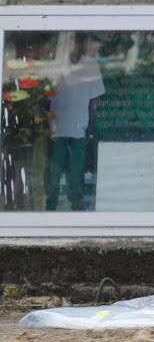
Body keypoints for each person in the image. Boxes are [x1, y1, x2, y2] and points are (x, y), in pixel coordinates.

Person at [45, 34, 104, 211]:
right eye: (68, 42)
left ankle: (76, 204)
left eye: (76, 41)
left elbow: (94, 102)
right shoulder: (56, 64)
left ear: (81, 44)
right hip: (56, 127)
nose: (73, 45)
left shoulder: (91, 65)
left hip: (81, 125)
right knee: (54, 170)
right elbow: (46, 99)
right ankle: (50, 205)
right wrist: (47, 126)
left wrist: (91, 126)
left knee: (77, 170)